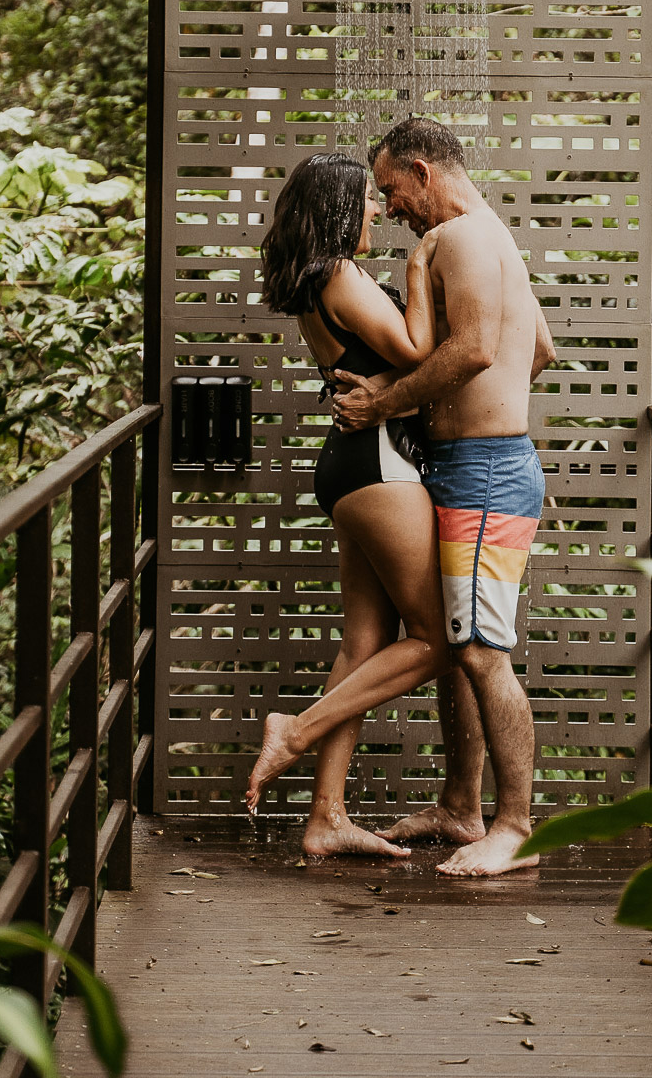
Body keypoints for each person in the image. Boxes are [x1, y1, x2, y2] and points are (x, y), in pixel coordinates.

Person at [332, 117, 556, 878]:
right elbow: (541, 349)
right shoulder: (494, 239)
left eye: (393, 190)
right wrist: (480, 408)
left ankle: (516, 827)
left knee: (483, 654)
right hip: (476, 463)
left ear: (424, 172)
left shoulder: (461, 238)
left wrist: (390, 404)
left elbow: (477, 349)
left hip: (487, 472)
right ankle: (462, 806)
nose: (391, 208)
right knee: (460, 646)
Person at [249, 152, 450, 856]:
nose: (376, 211)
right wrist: (422, 269)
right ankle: (296, 730)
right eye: (365, 200)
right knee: (439, 639)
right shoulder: (340, 275)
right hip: (380, 467)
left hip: (353, 468)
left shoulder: (318, 281)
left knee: (362, 644)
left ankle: (326, 817)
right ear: (336, 208)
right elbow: (418, 349)